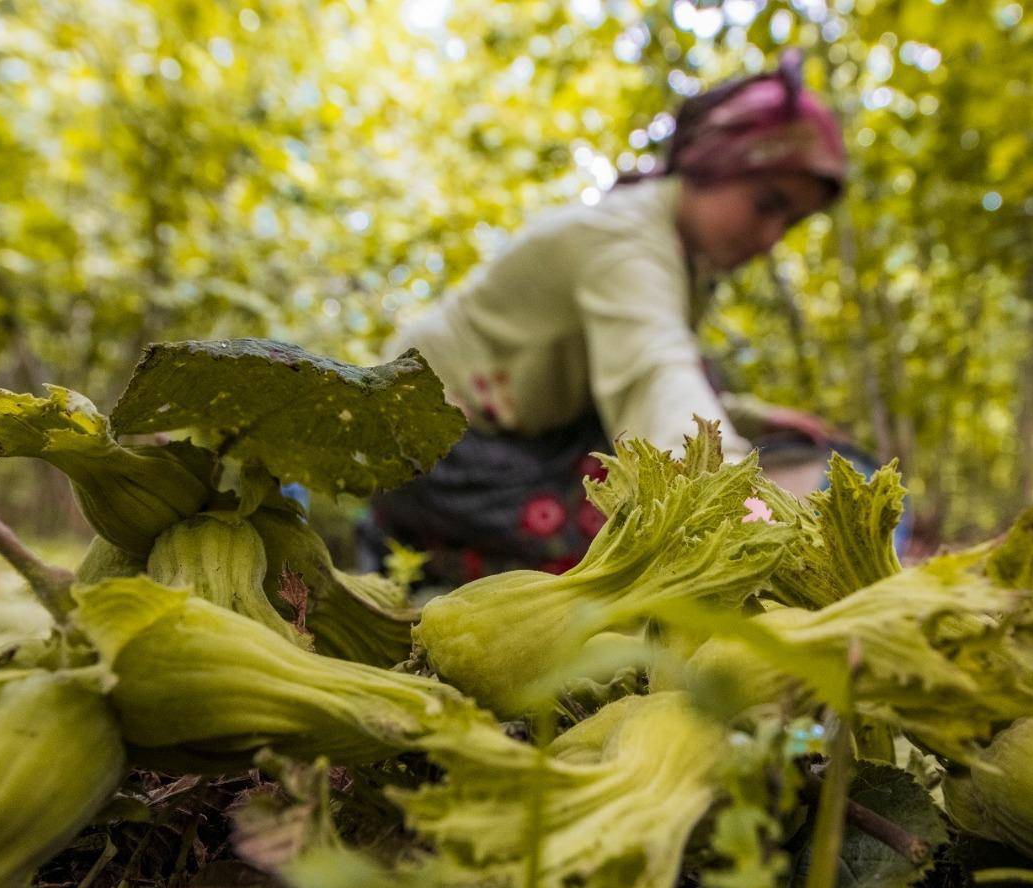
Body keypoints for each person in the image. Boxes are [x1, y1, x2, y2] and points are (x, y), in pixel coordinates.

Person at [361, 53, 854, 585]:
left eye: (791, 220)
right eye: (766, 203)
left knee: (699, 387)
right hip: (427, 443)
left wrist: (748, 416)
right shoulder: (626, 241)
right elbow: (652, 378)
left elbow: (642, 368)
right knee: (628, 538)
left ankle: (438, 551)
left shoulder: (679, 256)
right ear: (715, 161)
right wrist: (750, 513)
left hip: (521, 432)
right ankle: (414, 548)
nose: (770, 238)